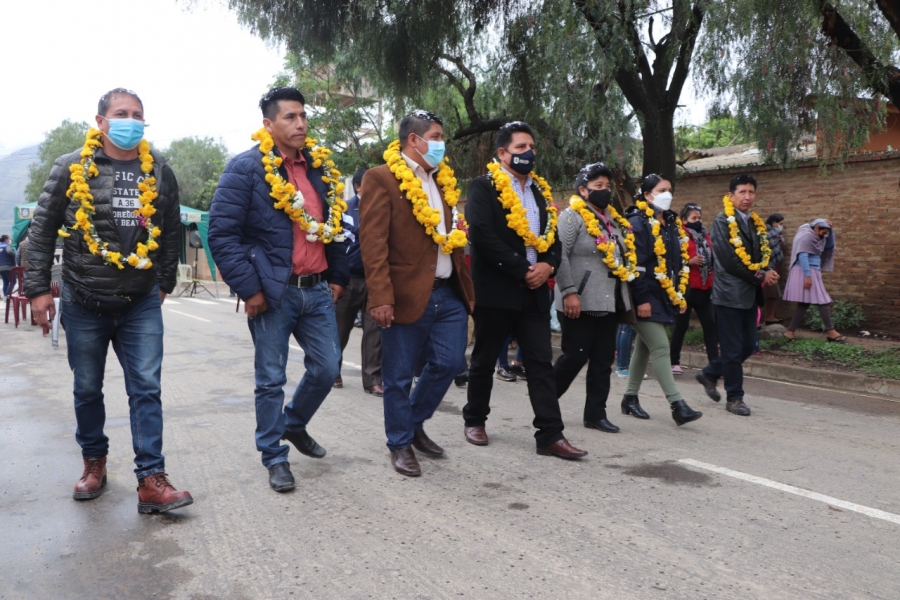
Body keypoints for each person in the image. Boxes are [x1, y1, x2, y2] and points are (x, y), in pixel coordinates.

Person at [24, 88, 191, 513]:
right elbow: (41, 231)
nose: (130, 120)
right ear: (100, 121)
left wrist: (164, 282)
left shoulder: (160, 171)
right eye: (121, 113)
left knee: (147, 388)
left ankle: (151, 479)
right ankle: (93, 464)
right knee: (86, 389)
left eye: (137, 114)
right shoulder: (70, 168)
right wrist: (38, 289)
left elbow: (170, 229)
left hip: (140, 303)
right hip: (84, 301)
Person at [208, 86, 350, 492]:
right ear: (268, 125)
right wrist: (250, 289)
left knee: (327, 368)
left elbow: (335, 228)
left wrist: (337, 277)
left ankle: (294, 423)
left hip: (318, 289)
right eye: (290, 117)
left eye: (303, 115)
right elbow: (222, 235)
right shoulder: (245, 169)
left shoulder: (321, 169)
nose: (301, 123)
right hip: (273, 292)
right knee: (270, 379)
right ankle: (274, 456)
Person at [359, 109, 474, 477]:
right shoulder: (382, 178)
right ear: (415, 140)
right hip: (404, 293)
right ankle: (400, 443)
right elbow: (373, 242)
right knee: (397, 376)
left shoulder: (442, 181)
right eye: (437, 137)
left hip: (448, 291)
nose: (441, 144)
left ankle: (414, 423)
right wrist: (380, 297)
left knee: (449, 362)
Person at [462, 121, 587, 459]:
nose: (528, 153)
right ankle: (475, 419)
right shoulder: (482, 186)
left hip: (533, 293)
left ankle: (549, 434)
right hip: (497, 289)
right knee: (485, 359)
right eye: (520, 148)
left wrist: (547, 265)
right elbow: (483, 235)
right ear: (502, 153)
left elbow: (553, 240)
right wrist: (523, 269)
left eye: (531, 147)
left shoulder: (540, 192)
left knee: (540, 362)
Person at [553, 162, 636, 434]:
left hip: (609, 301)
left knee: (602, 360)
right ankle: (545, 399)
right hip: (579, 301)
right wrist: (569, 292)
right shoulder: (571, 216)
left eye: (607, 187)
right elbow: (560, 255)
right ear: (583, 190)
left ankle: (596, 414)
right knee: (575, 356)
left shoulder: (611, 219)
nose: (605, 191)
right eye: (598, 186)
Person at [621, 175, 703, 426]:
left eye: (669, 190)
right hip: (644, 294)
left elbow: (674, 263)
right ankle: (677, 405)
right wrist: (642, 298)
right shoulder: (637, 221)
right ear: (647, 195)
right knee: (660, 347)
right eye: (661, 190)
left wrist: (678, 293)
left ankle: (630, 398)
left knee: (645, 348)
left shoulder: (670, 222)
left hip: (664, 293)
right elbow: (636, 264)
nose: (668, 194)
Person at [694, 174, 779, 416]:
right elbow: (730, 261)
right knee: (732, 349)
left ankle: (710, 373)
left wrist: (767, 269)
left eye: (751, 192)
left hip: (750, 295)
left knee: (748, 346)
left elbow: (763, 253)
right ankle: (735, 398)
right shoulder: (722, 221)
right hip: (729, 295)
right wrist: (760, 276)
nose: (747, 197)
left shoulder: (754, 221)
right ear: (731, 195)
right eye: (742, 192)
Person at [333, 167, 384, 396]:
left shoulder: (384, 208)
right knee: (340, 328)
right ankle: (332, 370)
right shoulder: (343, 210)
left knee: (374, 330)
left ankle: (373, 379)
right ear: (357, 186)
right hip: (349, 278)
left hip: (376, 279)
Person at [669, 203, 718, 374]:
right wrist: (689, 261)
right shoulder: (678, 236)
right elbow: (671, 260)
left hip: (705, 288)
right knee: (681, 325)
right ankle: (673, 362)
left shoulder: (706, 236)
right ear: (684, 220)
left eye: (699, 218)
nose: (697, 221)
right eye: (693, 218)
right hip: (686, 287)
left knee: (710, 326)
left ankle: (715, 365)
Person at [783, 218, 843, 342]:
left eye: (826, 233)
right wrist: (808, 276)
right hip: (804, 271)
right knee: (823, 302)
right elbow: (802, 256)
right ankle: (830, 331)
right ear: (816, 228)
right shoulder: (805, 236)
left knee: (804, 304)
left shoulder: (819, 237)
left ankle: (790, 332)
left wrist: (830, 231)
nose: (824, 235)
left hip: (813, 270)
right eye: (823, 232)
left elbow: (830, 246)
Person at [762, 213, 787, 325]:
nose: (782, 226)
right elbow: (767, 250)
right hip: (767, 267)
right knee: (763, 294)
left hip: (775, 267)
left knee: (773, 294)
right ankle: (759, 320)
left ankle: (770, 317)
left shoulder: (778, 234)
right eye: (780, 224)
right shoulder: (767, 233)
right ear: (773, 223)